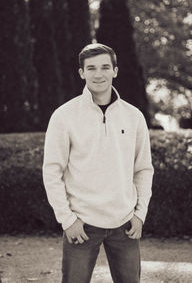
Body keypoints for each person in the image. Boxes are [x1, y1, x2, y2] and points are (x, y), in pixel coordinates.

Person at [43, 43, 154, 283]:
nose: (98, 74)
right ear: (81, 73)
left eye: (105, 67)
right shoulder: (64, 116)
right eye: (91, 68)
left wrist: (140, 214)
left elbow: (143, 169)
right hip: (81, 225)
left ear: (115, 70)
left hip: (125, 224)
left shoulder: (134, 116)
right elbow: (52, 172)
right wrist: (68, 219)